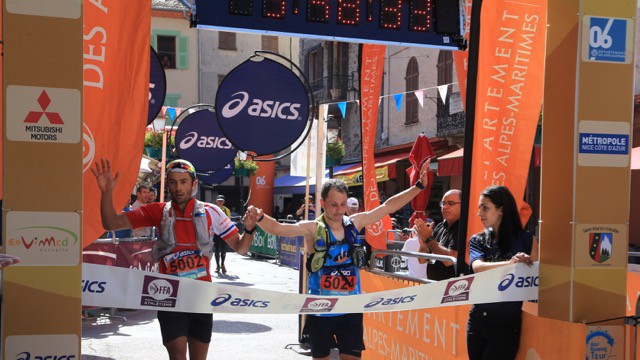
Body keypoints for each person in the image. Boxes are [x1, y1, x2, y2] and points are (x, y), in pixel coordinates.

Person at [246, 159, 431, 360]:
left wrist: (418, 187)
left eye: (343, 204)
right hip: (320, 309)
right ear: (323, 203)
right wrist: (260, 217)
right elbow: (278, 229)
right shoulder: (311, 228)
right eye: (334, 205)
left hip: (350, 308)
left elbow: (387, 207)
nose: (339, 210)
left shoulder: (355, 222)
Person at [91, 158, 257, 360]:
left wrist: (249, 229)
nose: (178, 187)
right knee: (177, 356)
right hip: (168, 295)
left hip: (200, 297)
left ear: (194, 184)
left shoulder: (212, 211)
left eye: (183, 181)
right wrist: (106, 192)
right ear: (167, 184)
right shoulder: (158, 211)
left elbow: (241, 248)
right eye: (173, 182)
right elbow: (111, 223)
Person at [466, 186, 538, 360]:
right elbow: (477, 267)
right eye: (479, 208)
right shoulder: (477, 240)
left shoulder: (528, 240)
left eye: (485, 207)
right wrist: (510, 263)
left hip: (506, 323)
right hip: (477, 320)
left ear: (501, 210)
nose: (479, 213)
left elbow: (534, 278)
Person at [416, 189, 461, 281]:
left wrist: (428, 238)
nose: (445, 207)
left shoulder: (464, 228)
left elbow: (449, 260)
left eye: (451, 203)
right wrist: (423, 245)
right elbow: (422, 260)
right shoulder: (439, 226)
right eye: (443, 203)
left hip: (452, 289)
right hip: (434, 286)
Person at [214, 195, 231, 274]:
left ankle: (222, 264)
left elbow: (229, 220)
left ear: (224, 202)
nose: (220, 202)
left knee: (223, 250)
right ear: (216, 201)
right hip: (216, 233)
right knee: (217, 250)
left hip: (224, 232)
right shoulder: (213, 209)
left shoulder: (227, 210)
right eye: (219, 200)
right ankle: (217, 265)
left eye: (222, 201)